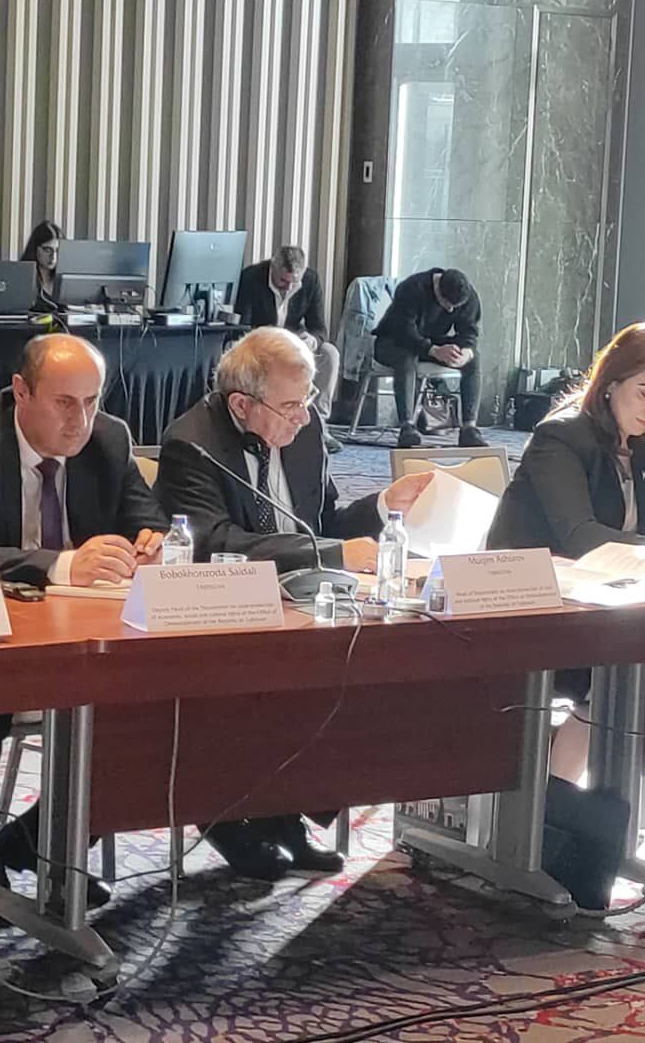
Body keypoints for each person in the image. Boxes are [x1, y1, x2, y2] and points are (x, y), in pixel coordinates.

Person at [156, 327, 432, 879]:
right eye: (290, 406)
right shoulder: (192, 443)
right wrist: (333, 552)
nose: (304, 417)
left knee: (359, 669)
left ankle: (287, 811)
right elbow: (215, 543)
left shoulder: (306, 432)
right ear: (242, 404)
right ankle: (228, 814)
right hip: (222, 614)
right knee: (274, 680)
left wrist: (382, 506)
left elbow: (323, 522)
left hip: (302, 602)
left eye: (309, 399)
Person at [0, 334, 168, 902]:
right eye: (65, 402)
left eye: (92, 401)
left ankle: (40, 843)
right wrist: (63, 564)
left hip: (82, 630)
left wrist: (152, 544)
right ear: (22, 391)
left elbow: (148, 519)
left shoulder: (109, 439)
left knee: (151, 704)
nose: (81, 420)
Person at [487, 320, 645, 780]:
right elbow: (581, 537)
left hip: (598, 605)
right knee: (625, 674)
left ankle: (576, 800)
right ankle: (555, 800)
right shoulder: (561, 437)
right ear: (611, 382)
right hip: (524, 606)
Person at [235, 245, 342, 452]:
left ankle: (319, 425)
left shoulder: (310, 280)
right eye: (283, 281)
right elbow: (243, 328)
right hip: (262, 344)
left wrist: (312, 340)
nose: (289, 287)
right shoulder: (251, 277)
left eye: (295, 282)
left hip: (295, 344)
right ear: (273, 267)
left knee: (330, 354)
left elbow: (320, 328)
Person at [373, 267, 484, 450]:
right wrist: (432, 350)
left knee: (474, 359)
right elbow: (403, 330)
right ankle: (407, 426)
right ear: (437, 287)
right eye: (446, 303)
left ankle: (469, 428)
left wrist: (466, 351)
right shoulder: (411, 288)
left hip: (431, 341)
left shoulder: (468, 296)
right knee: (406, 359)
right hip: (393, 340)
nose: (450, 309)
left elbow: (469, 331)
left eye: (454, 307)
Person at [20, 220, 65, 312]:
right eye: (47, 250)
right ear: (35, 248)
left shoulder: (65, 279)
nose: (53, 256)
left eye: (58, 250)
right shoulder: (22, 278)